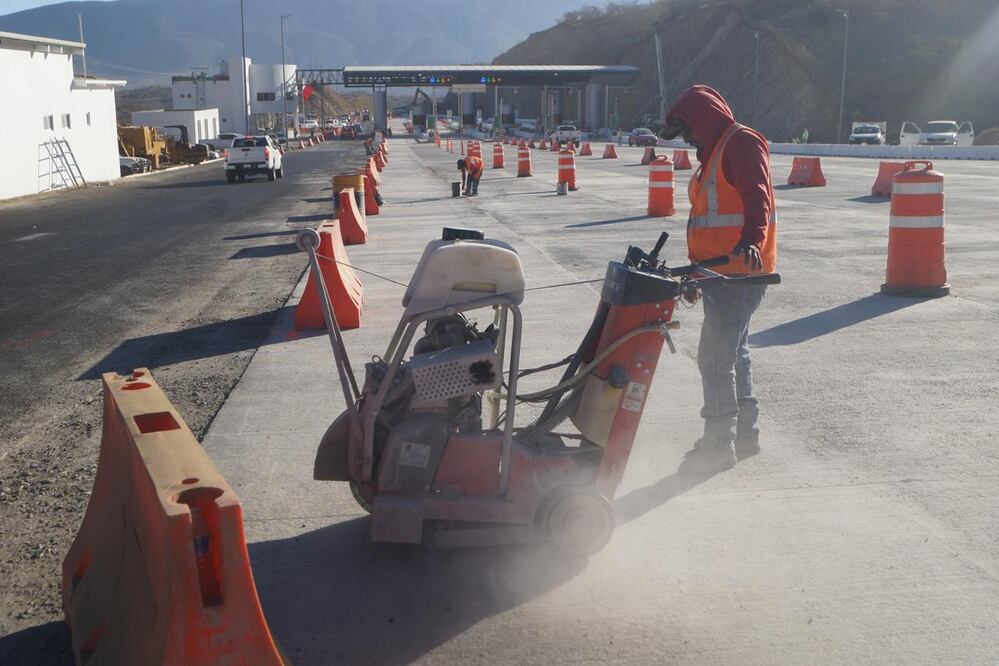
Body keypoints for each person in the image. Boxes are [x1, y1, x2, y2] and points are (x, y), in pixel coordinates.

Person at [659, 85, 777, 476]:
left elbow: (758, 196)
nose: (689, 140)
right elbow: (712, 219)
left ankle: (718, 444)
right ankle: (745, 435)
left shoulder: (740, 143)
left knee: (714, 357)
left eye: (689, 131)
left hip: (739, 273)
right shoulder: (714, 152)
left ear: (704, 119)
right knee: (733, 353)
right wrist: (695, 274)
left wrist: (751, 242)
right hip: (716, 272)